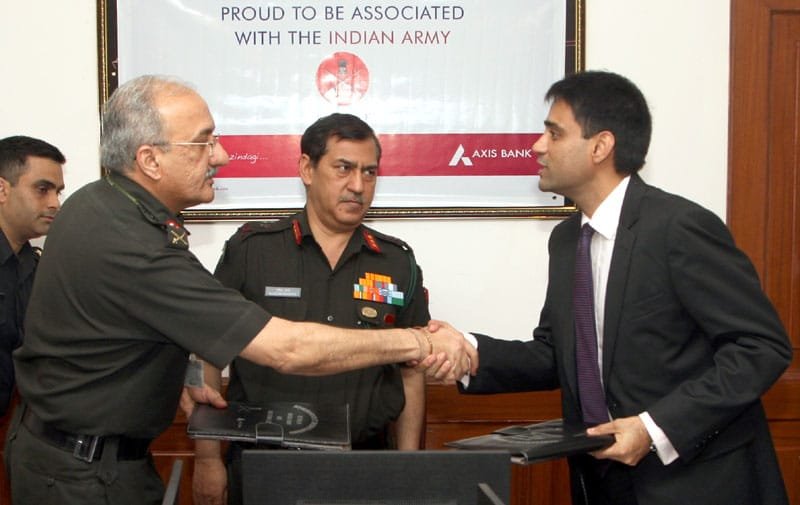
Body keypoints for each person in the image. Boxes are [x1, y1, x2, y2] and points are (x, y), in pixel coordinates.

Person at [5, 75, 477, 505]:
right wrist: (421, 341)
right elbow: (287, 348)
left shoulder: (112, 210)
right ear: (149, 159)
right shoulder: (132, 238)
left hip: (90, 462)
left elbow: (137, 330)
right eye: (204, 142)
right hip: (83, 475)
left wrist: (180, 381)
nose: (222, 155)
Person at [431, 71, 792, 505]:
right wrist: (469, 351)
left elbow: (760, 347)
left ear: (600, 146)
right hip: (603, 483)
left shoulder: (678, 228)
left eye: (554, 133)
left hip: (697, 483)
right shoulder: (567, 240)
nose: (537, 146)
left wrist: (653, 428)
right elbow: (559, 354)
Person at [193, 113, 431, 505]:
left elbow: (411, 373)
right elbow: (207, 352)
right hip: (266, 462)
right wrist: (207, 460)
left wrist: (407, 468)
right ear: (307, 168)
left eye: (369, 172)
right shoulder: (253, 250)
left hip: (366, 465)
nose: (358, 186)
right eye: (344, 168)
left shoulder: (395, 261)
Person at [0, 136, 65, 417]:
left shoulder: (37, 267)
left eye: (58, 192)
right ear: (2, 190)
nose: (55, 204)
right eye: (43, 189)